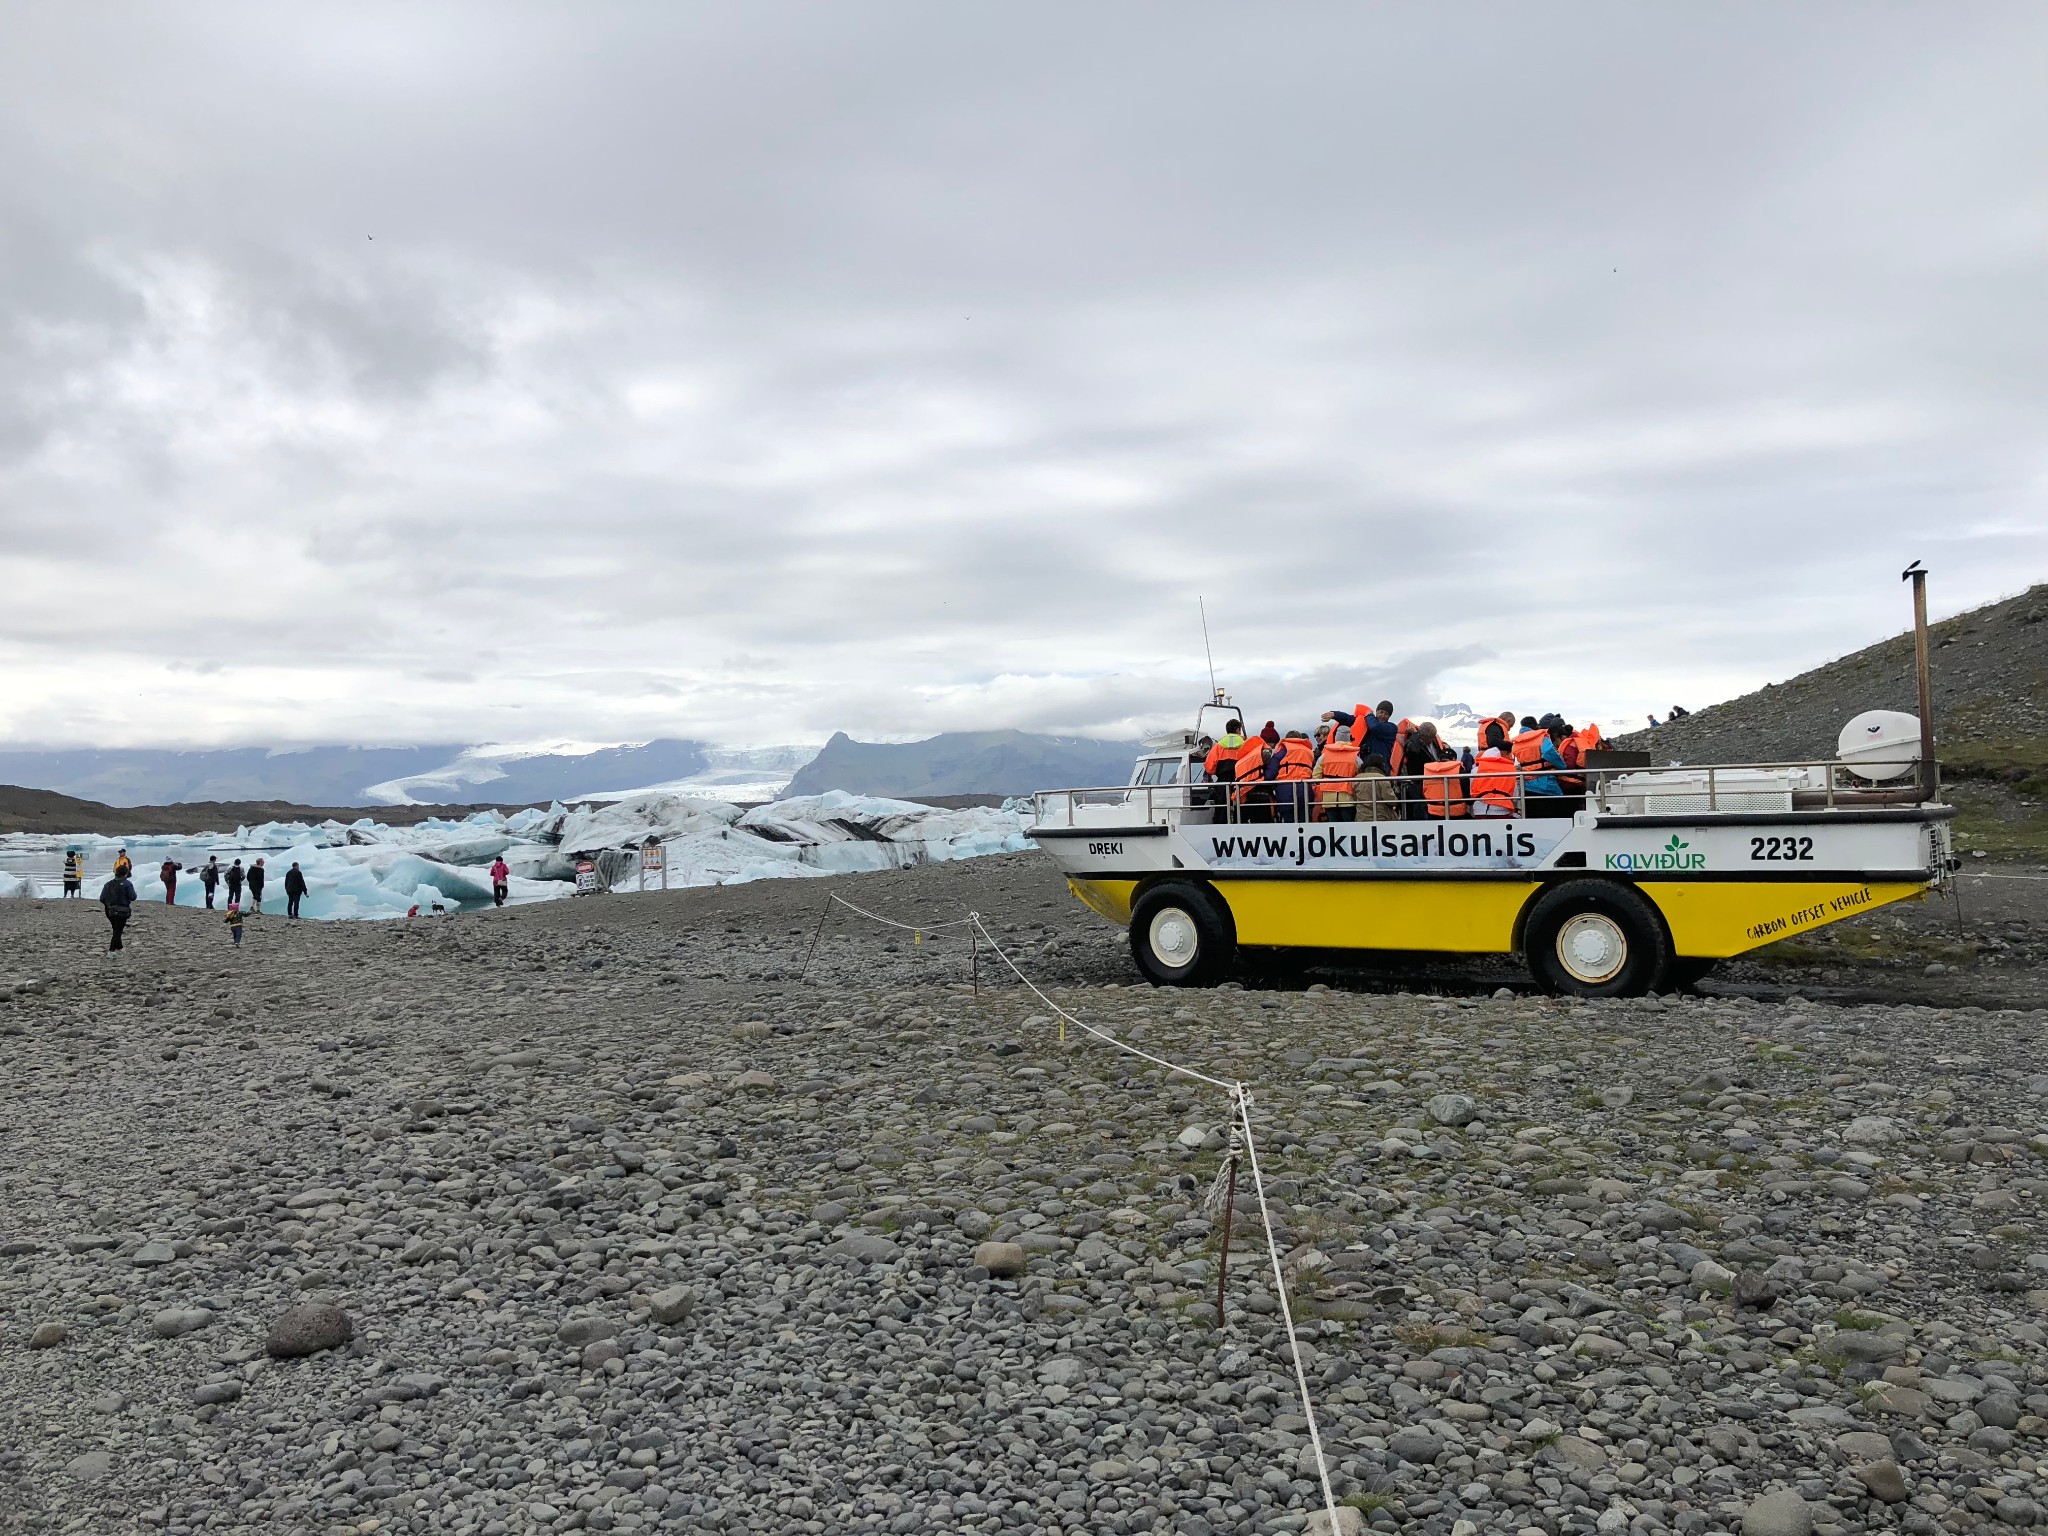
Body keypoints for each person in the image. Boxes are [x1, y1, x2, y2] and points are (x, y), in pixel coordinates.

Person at [1399, 721, 1455, 820]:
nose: (1433, 739)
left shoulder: (1434, 743)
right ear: (1423, 735)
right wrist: (1415, 734)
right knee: (1419, 809)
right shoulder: (1412, 743)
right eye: (1431, 737)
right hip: (1418, 781)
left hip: (1432, 782)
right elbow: (1412, 751)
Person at [1320, 701, 1398, 770]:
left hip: (1382, 768)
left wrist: (1369, 715)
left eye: (1386, 714)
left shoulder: (1391, 727)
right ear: (1376, 712)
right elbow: (1348, 719)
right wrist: (1334, 714)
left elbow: (1374, 727)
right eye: (1381, 712)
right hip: (1364, 766)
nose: (1383, 715)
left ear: (1389, 716)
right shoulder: (1367, 721)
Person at [1470, 722, 1519, 817]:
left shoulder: (1476, 770)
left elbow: (1472, 790)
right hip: (1502, 811)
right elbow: (1515, 795)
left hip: (1480, 811)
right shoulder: (1510, 770)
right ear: (1504, 753)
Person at [1314, 726, 1360, 821]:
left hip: (1329, 800)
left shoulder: (1324, 755)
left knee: (1334, 827)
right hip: (1348, 799)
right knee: (1349, 827)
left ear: (1336, 737)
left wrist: (1325, 783)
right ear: (1349, 737)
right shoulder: (1355, 756)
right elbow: (1361, 774)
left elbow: (1315, 775)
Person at [1272, 730, 1314, 823]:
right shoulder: (1309, 752)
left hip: (1285, 791)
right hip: (1305, 790)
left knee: (1288, 823)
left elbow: (1271, 773)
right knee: (1305, 820)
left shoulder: (1281, 751)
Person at [98, 868, 137, 952]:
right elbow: (133, 897)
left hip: (110, 911)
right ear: (126, 874)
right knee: (118, 931)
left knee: (116, 929)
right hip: (123, 911)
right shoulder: (128, 884)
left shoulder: (108, 884)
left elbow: (102, 898)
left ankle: (120, 947)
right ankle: (111, 951)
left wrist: (108, 905)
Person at [1356, 753, 1398, 821]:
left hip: (1362, 817)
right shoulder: (1382, 779)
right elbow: (1390, 799)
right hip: (1381, 817)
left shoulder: (1357, 778)